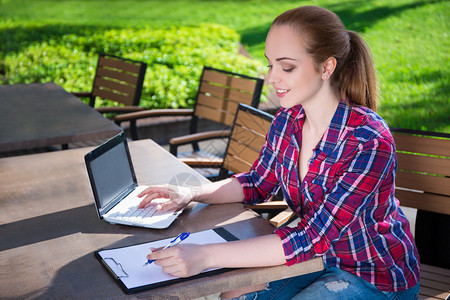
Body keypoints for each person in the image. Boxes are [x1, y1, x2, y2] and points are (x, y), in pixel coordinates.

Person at [138, 5, 420, 299]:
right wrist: (191, 193)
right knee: (234, 293)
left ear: (327, 67)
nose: (271, 78)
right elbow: (256, 183)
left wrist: (204, 256)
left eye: (286, 67)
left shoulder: (368, 140)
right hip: (321, 259)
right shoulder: (288, 122)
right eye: (270, 64)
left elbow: (312, 237)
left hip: (374, 273)